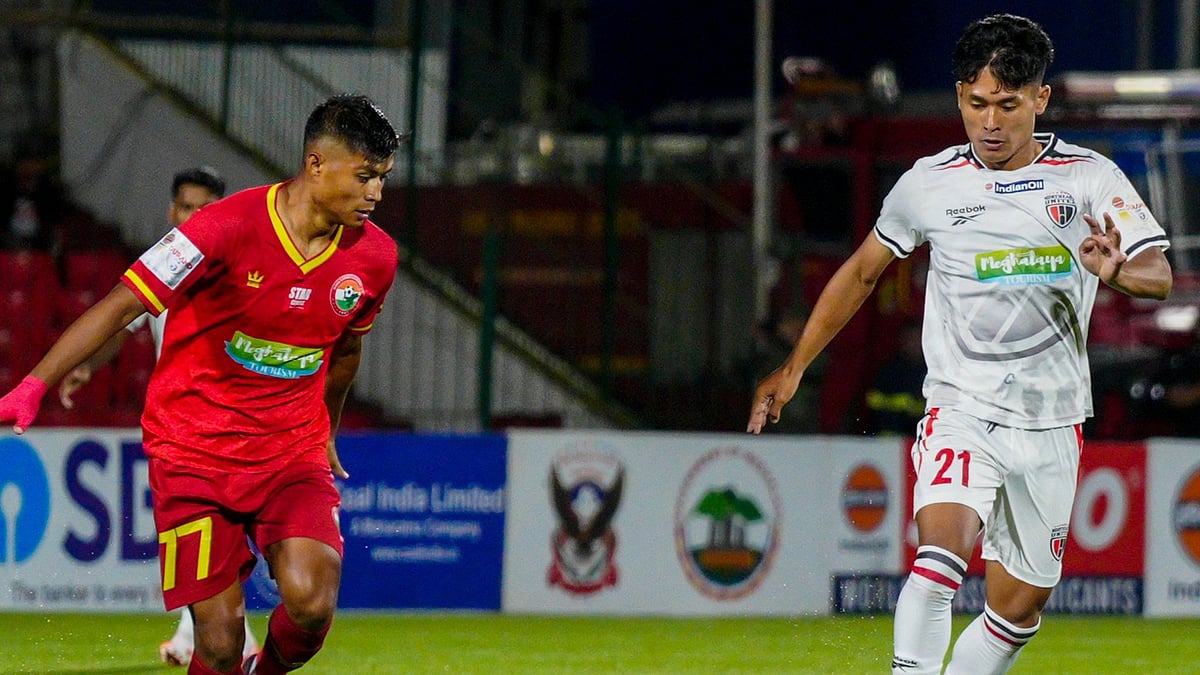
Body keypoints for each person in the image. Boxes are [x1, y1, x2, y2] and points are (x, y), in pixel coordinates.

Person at [747, 14, 1171, 674]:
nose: (991, 123)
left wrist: (1115, 270)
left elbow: (1159, 274)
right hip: (962, 407)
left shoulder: (1089, 179)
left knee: (1018, 606)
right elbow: (862, 270)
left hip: (1053, 420)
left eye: (1007, 104)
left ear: (1040, 99)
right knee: (940, 554)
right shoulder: (929, 183)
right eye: (976, 105)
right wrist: (796, 364)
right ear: (958, 99)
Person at [0, 94, 403, 675]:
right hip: (193, 455)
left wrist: (327, 430)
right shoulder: (222, 227)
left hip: (289, 452)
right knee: (215, 643)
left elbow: (346, 348)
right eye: (365, 176)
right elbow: (119, 306)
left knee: (312, 605)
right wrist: (35, 383)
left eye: (383, 179)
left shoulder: (375, 258)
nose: (376, 194)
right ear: (316, 163)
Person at [57, 165, 262, 667]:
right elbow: (124, 321)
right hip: (180, 430)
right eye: (186, 207)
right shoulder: (163, 267)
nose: (195, 216)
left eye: (205, 207)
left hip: (233, 424)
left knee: (220, 541)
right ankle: (212, 637)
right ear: (172, 211)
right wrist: (86, 366)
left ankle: (214, 638)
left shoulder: (232, 269)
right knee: (201, 542)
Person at [864, 318, 926, 436]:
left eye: (916, 339)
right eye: (909, 339)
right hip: (890, 435)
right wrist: (902, 402)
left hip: (925, 434)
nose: (913, 344)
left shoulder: (933, 369)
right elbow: (872, 399)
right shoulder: (890, 370)